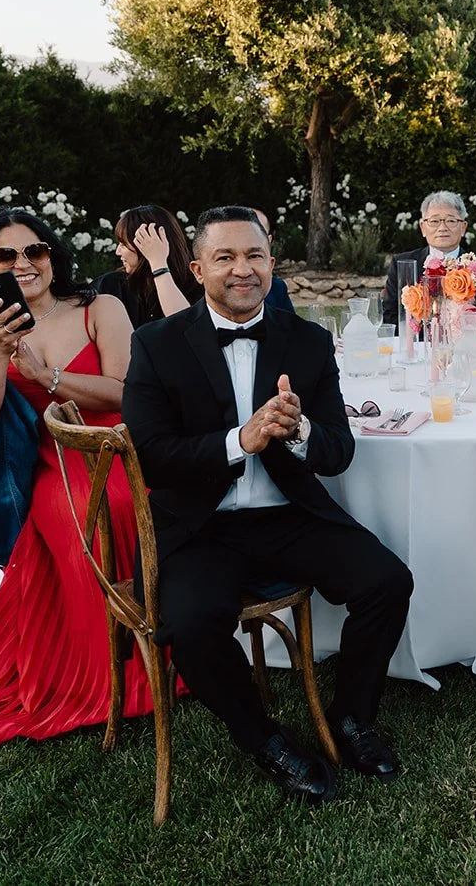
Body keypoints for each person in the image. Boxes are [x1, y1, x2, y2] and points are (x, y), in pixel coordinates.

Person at [122, 206, 414, 804]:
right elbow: (151, 456)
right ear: (197, 268)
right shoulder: (156, 345)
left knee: (388, 581)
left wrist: (301, 431)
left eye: (254, 256)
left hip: (288, 514)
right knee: (190, 627)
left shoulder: (305, 341)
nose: (242, 269)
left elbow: (338, 452)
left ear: (272, 264)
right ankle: (265, 740)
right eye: (225, 257)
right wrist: (240, 441)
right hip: (202, 526)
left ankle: (353, 716)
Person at [0, 210, 156, 744]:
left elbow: (130, 391)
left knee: (136, 500)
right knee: (75, 517)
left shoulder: (99, 308)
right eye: (5, 256)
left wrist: (49, 377)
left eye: (35, 251)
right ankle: (104, 671)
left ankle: (167, 641)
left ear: (53, 258)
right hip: (44, 457)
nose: (23, 264)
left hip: (119, 442)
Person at [93, 205, 202, 328]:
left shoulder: (195, 286)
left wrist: (158, 263)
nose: (118, 252)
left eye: (123, 244)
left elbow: (187, 328)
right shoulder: (111, 286)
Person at [384, 191, 467, 333]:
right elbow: (391, 316)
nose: (442, 228)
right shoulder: (402, 264)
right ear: (423, 228)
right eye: (434, 221)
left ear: (463, 227)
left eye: (451, 221)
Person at [248, 207, 296, 314]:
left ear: (268, 241)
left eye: (257, 235)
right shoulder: (210, 286)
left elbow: (292, 328)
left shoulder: (277, 288)